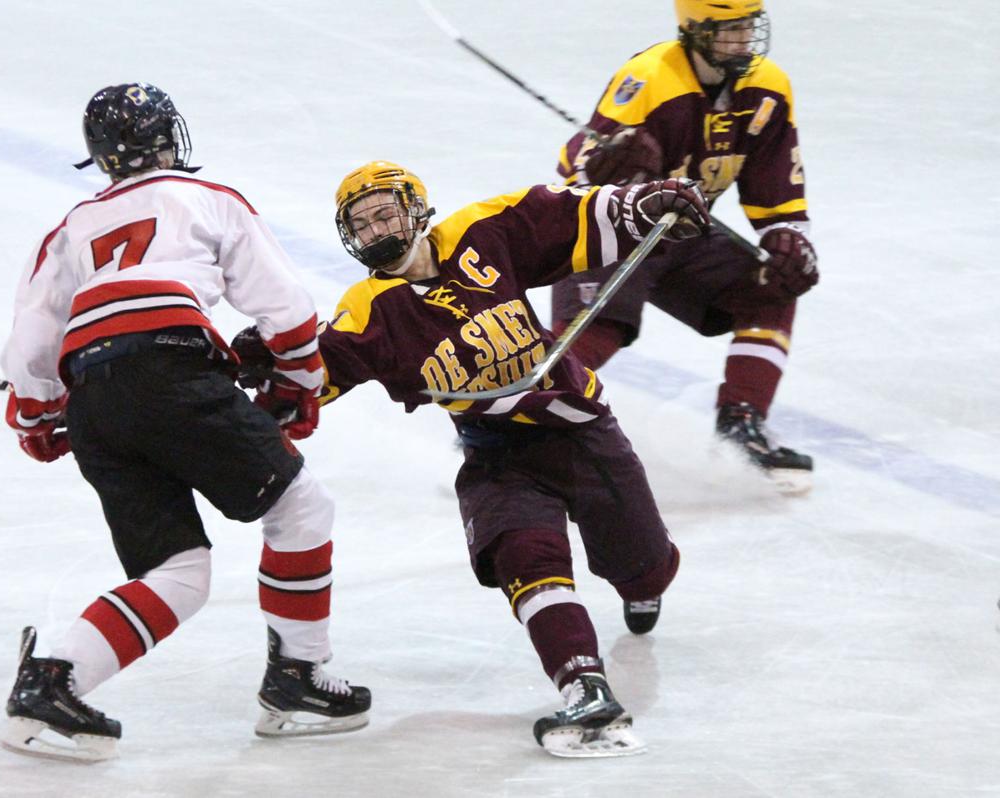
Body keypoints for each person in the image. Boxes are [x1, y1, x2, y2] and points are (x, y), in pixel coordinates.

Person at [240, 161, 706, 757]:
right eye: (360, 222)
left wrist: (642, 204)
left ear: (415, 208)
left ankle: (642, 582)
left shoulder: (484, 231)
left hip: (579, 432)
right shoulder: (370, 309)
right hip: (497, 456)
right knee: (525, 557)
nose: (375, 228)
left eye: (384, 211)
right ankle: (584, 687)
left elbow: (573, 216)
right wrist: (273, 362)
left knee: (643, 565)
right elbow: (318, 370)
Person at [0, 83, 369, 760]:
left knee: (177, 571)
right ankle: (298, 679)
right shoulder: (209, 199)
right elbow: (286, 310)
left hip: (95, 404)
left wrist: (40, 415)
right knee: (303, 508)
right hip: (173, 374)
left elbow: (32, 347)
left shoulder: (70, 228)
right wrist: (299, 383)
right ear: (172, 136)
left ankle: (52, 682)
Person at [550, 0, 819, 494]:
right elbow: (577, 174)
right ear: (694, 29)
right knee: (601, 327)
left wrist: (787, 237)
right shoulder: (648, 77)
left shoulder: (768, 88)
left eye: (748, 27)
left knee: (776, 281)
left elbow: (777, 191)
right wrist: (611, 166)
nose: (743, 40)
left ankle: (741, 425)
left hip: (684, 229)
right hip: (615, 226)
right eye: (728, 29)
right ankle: (511, 430)